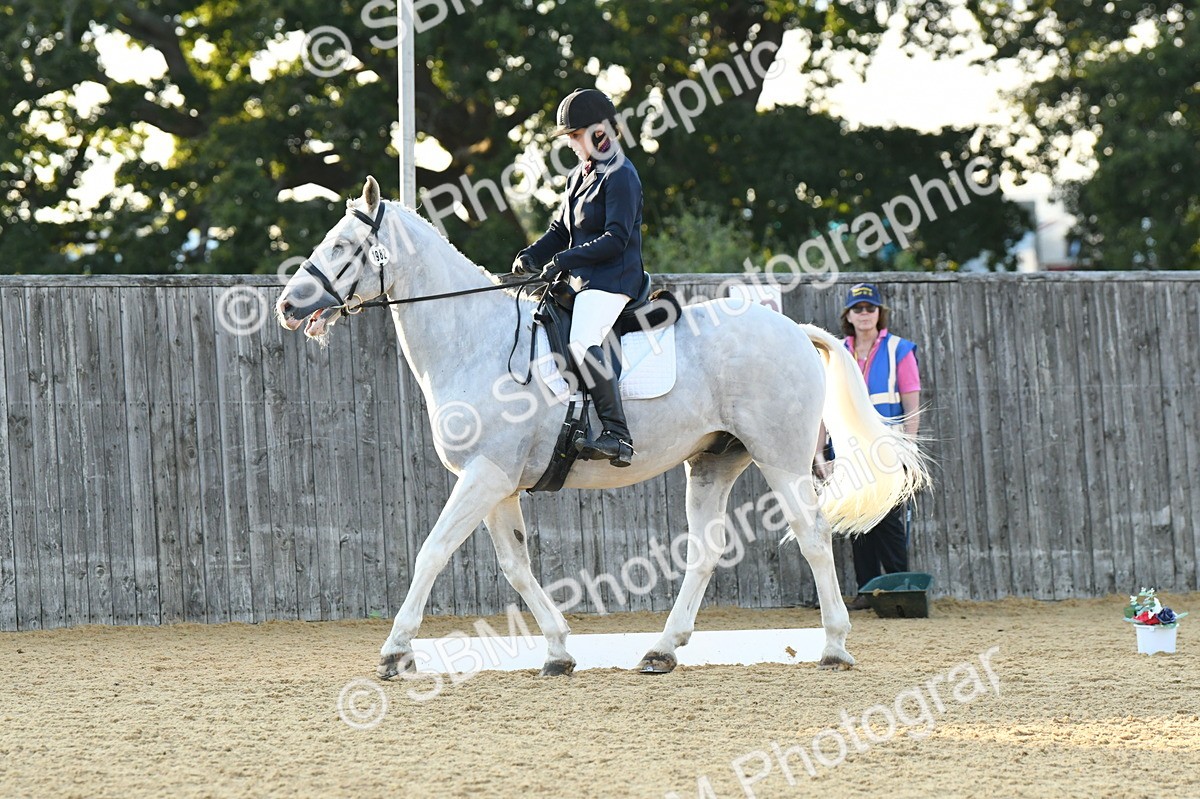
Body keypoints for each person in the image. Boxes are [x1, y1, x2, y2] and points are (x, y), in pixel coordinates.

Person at [511, 88, 645, 467]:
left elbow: (616, 239)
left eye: (574, 135)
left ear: (599, 132)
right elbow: (560, 229)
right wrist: (533, 255)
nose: (570, 143)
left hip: (614, 279)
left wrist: (564, 259)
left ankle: (618, 434)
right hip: (583, 281)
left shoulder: (621, 175)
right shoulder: (577, 177)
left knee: (583, 340)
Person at [815, 282, 921, 610]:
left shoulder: (899, 350)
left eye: (870, 308)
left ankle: (899, 588)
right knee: (857, 518)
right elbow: (822, 407)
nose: (864, 314)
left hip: (887, 449)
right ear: (848, 314)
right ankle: (866, 591)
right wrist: (819, 454)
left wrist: (910, 449)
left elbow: (911, 403)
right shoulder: (834, 353)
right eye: (858, 309)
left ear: (879, 313)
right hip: (847, 451)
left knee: (889, 520)